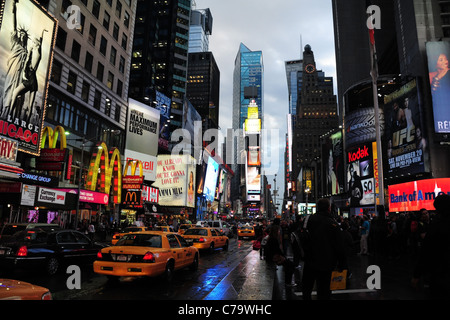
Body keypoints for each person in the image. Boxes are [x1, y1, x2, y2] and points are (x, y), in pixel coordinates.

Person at [301, 198, 347, 300]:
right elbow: (339, 245)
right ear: (329, 208)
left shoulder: (308, 220)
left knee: (307, 289)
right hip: (327, 262)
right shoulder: (333, 223)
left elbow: (303, 237)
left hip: (310, 260)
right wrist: (342, 264)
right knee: (324, 291)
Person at [412, 194, 450, 299]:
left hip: (440, 272)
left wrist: (416, 274)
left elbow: (426, 250)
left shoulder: (437, 224)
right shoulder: (426, 224)